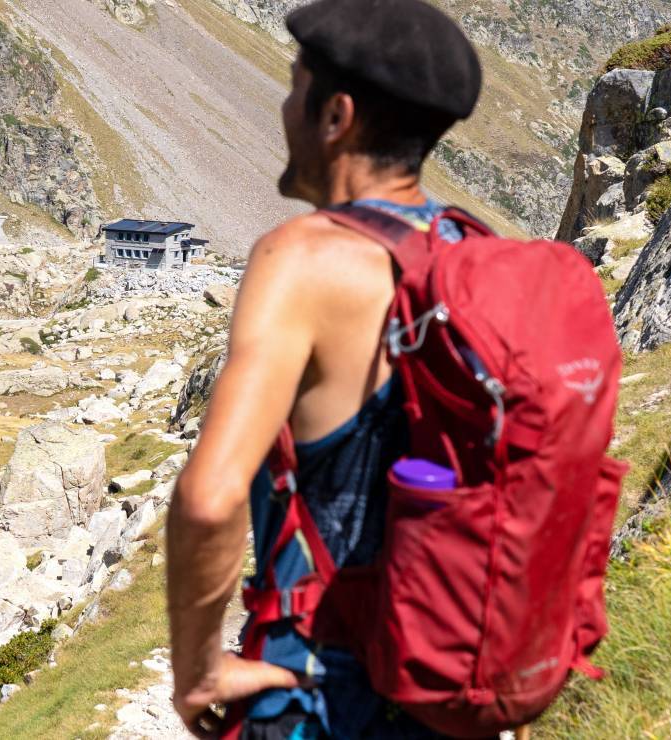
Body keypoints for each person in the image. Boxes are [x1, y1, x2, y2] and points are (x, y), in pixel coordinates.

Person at [166, 0, 484, 737]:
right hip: (448, 682)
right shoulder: (472, 254)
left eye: (292, 87)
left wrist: (199, 670)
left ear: (334, 115)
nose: (283, 107)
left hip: (325, 691)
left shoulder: (301, 258)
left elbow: (210, 501)